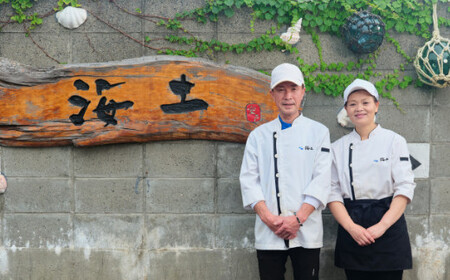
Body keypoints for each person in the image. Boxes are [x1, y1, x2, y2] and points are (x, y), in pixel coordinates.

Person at [239, 63, 331, 280]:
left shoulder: (318, 132)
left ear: (303, 91)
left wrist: (297, 220)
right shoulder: (258, 136)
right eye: (281, 89)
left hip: (306, 229)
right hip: (269, 230)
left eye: (293, 89)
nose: (288, 96)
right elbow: (249, 181)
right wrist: (269, 219)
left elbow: (322, 179)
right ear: (272, 94)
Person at [327, 79, 416, 280]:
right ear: (346, 110)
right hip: (353, 226)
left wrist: (382, 226)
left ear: (376, 105)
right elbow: (332, 192)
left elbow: (404, 188)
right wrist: (351, 228)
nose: (359, 108)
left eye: (365, 102)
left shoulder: (395, 141)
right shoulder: (337, 148)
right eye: (353, 103)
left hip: (389, 225)